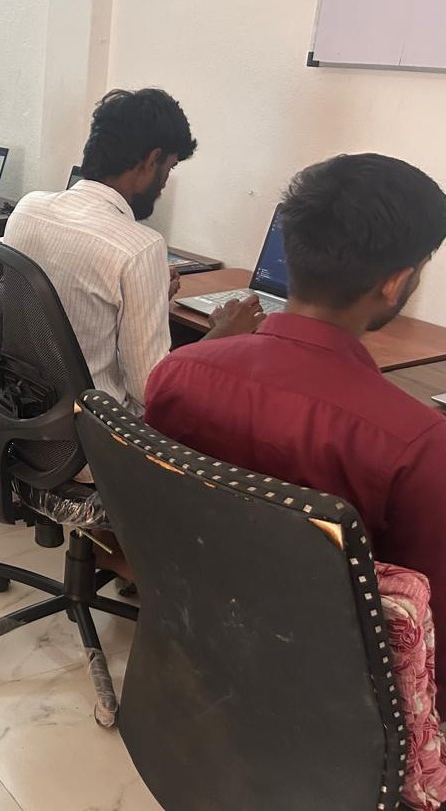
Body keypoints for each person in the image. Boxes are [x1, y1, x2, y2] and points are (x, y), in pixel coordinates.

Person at [144, 153, 446, 710]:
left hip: (193, 636)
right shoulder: (416, 445)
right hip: (331, 695)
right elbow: (428, 629)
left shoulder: (176, 374)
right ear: (397, 282)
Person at [3, 88, 263, 414]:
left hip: (22, 407)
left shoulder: (28, 208)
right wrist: (223, 334)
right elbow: (151, 390)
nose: (165, 183)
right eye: (169, 168)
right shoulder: (139, 248)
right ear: (152, 160)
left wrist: (149, 296)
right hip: (98, 430)